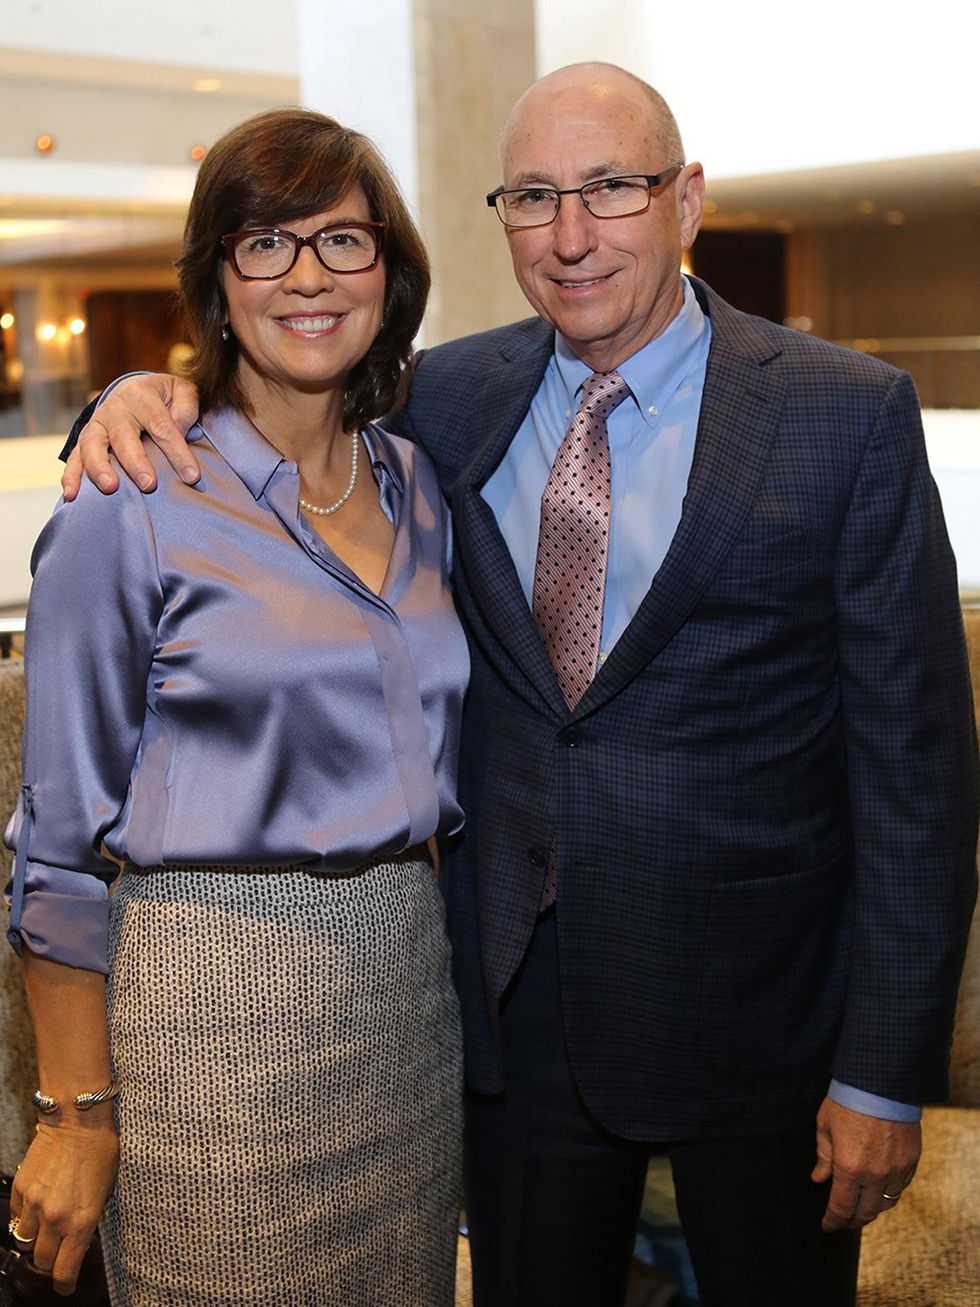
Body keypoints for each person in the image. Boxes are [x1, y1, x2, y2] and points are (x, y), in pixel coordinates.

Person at [59, 64, 978, 1307]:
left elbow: (916, 775)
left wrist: (880, 1071)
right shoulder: (447, 401)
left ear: (686, 199)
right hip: (506, 1032)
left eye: (609, 188)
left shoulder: (844, 413)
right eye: (533, 195)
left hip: (762, 1031)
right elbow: (267, 404)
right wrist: (129, 399)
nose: (569, 233)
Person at [5, 107, 468, 1306]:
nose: (307, 276)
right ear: (218, 280)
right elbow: (53, 847)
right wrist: (76, 1115)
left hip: (407, 1005)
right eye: (265, 242)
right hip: (210, 1026)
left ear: (390, 270)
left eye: (342, 241)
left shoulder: (415, 486)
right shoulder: (131, 500)